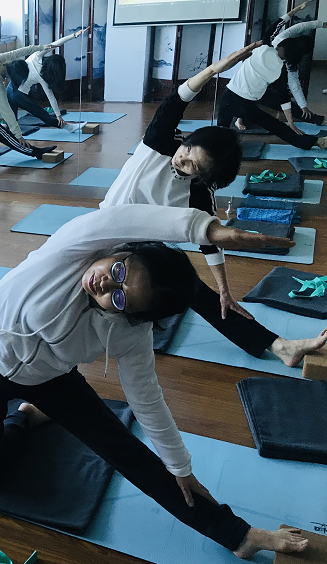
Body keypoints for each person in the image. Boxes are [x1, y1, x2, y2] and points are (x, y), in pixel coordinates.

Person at [0, 204, 308, 559]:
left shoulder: (130, 332)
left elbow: (147, 402)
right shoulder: (72, 250)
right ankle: (25, 418)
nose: (105, 284)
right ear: (125, 251)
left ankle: (238, 536)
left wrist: (180, 467)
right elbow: (121, 217)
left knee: (128, 451)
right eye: (118, 271)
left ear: (133, 314)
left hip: (50, 381)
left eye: (120, 297)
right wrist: (204, 228)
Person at [101, 44, 327, 367]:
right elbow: (177, 99)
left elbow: (210, 243)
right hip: (101, 231)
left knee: (195, 288)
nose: (182, 160)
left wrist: (225, 290)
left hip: (138, 246)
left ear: (205, 177)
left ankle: (279, 346)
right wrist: (214, 70)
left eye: (193, 165)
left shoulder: (197, 194)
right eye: (187, 150)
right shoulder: (160, 142)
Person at [217, 6, 327, 149]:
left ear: (281, 44)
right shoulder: (281, 71)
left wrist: (296, 10)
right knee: (274, 125)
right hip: (247, 103)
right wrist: (291, 123)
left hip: (229, 98)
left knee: (219, 133)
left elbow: (278, 23)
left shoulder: (264, 47)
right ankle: (316, 142)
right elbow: (284, 99)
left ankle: (217, 147)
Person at [236, 2, 325, 130]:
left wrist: (303, 106)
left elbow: (293, 85)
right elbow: (296, 26)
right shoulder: (276, 41)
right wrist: (319, 23)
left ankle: (317, 119)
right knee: (247, 95)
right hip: (249, 75)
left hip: (263, 83)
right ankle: (239, 117)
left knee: (279, 100)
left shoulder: (289, 63)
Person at [6, 28, 89, 131]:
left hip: (9, 88)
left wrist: (74, 35)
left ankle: (5, 128)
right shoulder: (43, 78)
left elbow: (55, 44)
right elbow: (51, 97)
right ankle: (68, 126)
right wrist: (58, 116)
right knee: (42, 114)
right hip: (19, 95)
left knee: (12, 123)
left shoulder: (37, 56)